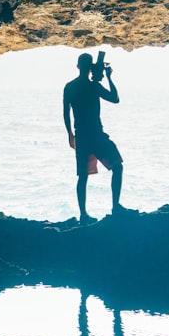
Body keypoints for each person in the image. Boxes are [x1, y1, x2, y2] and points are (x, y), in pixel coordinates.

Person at [63, 52, 125, 223]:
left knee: (82, 177)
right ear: (90, 68)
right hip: (97, 135)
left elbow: (65, 113)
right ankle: (116, 207)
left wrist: (70, 134)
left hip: (82, 136)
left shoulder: (69, 87)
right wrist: (109, 77)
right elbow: (115, 98)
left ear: (77, 66)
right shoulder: (94, 86)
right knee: (117, 167)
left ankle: (83, 215)